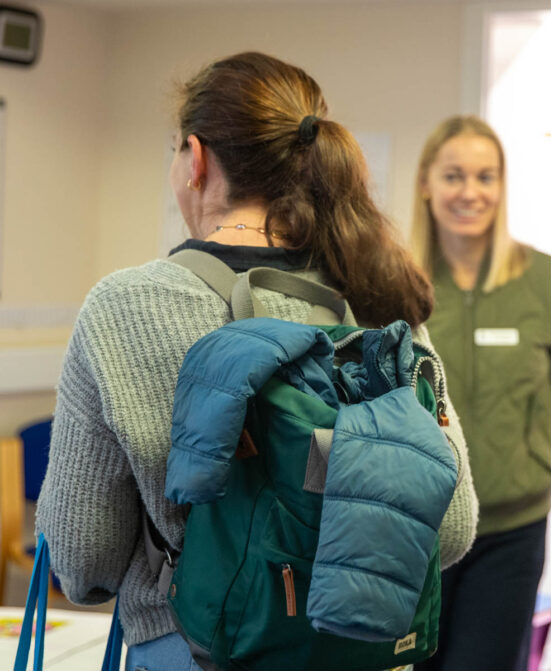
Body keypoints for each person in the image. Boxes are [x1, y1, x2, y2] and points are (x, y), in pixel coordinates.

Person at [35, 52, 477, 671]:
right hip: (367, 652)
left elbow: (84, 562)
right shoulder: (380, 294)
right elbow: (452, 531)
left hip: (195, 650)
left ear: (196, 159)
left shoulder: (126, 306)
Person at [409, 116, 551, 671]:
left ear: (501, 185)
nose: (470, 192)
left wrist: (545, 483)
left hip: (512, 533)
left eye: (485, 177)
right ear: (426, 184)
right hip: (416, 530)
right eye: (454, 176)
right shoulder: (394, 284)